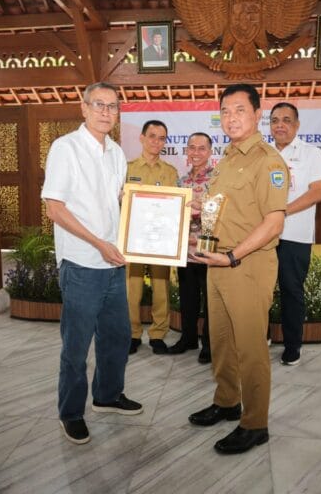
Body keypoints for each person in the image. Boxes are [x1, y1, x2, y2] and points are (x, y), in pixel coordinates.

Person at [188, 84, 289, 454]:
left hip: (247, 264)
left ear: (258, 114)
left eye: (240, 110)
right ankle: (227, 401)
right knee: (221, 341)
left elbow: (273, 223)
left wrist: (232, 257)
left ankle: (255, 423)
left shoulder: (268, 161)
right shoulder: (228, 158)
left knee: (250, 346)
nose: (231, 118)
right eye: (225, 111)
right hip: (217, 261)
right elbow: (220, 208)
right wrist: (195, 210)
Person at [41, 82, 143, 445]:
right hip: (82, 262)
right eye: (98, 104)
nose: (105, 112)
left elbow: (118, 201)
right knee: (76, 345)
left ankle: (107, 396)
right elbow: (55, 209)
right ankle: (71, 413)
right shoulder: (65, 148)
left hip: (114, 262)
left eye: (112, 106)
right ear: (83, 108)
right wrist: (99, 243)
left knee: (117, 337)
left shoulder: (116, 152)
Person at [269, 103, 321, 366]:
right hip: (263, 235)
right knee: (260, 289)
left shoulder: (311, 153)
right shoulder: (263, 153)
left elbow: (318, 192)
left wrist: (281, 212)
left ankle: (293, 346)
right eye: (274, 120)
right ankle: (262, 336)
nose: (280, 125)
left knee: (291, 291)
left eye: (286, 120)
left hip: (294, 236)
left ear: (297, 125)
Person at [125, 120, 179, 355]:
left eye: (161, 138)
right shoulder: (127, 169)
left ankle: (158, 334)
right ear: (142, 138)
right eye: (152, 136)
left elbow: (175, 205)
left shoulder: (170, 172)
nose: (157, 142)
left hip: (160, 240)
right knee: (131, 288)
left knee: (161, 287)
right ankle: (132, 333)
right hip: (134, 239)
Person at [168, 132, 214, 363]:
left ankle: (209, 345)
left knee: (210, 302)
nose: (196, 152)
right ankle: (188, 338)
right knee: (188, 299)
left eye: (201, 148)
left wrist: (200, 239)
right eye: (192, 148)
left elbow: (220, 216)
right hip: (184, 252)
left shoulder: (217, 181)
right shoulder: (181, 182)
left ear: (210, 152)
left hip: (207, 253)